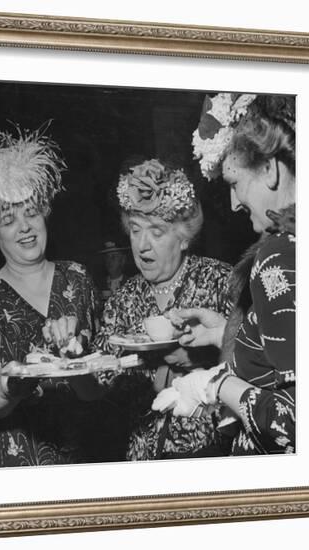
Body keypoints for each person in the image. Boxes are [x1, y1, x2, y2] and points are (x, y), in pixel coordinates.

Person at [153, 93, 296, 455]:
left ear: (271, 170)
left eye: (234, 183)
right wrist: (223, 331)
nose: (233, 204)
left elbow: (295, 423)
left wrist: (212, 386)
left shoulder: (276, 256)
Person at [0, 125, 107, 468]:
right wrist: (12, 389)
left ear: (45, 215)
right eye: (9, 221)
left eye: (31, 213)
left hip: (84, 454)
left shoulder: (78, 277)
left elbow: (94, 392)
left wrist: (78, 360)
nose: (24, 227)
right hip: (16, 458)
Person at [94, 158, 232, 460]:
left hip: (209, 456)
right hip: (142, 459)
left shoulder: (221, 281)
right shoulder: (124, 297)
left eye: (156, 232)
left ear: (183, 238)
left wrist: (199, 359)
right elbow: (102, 385)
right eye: (135, 230)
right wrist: (76, 359)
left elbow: (257, 367)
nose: (142, 245)